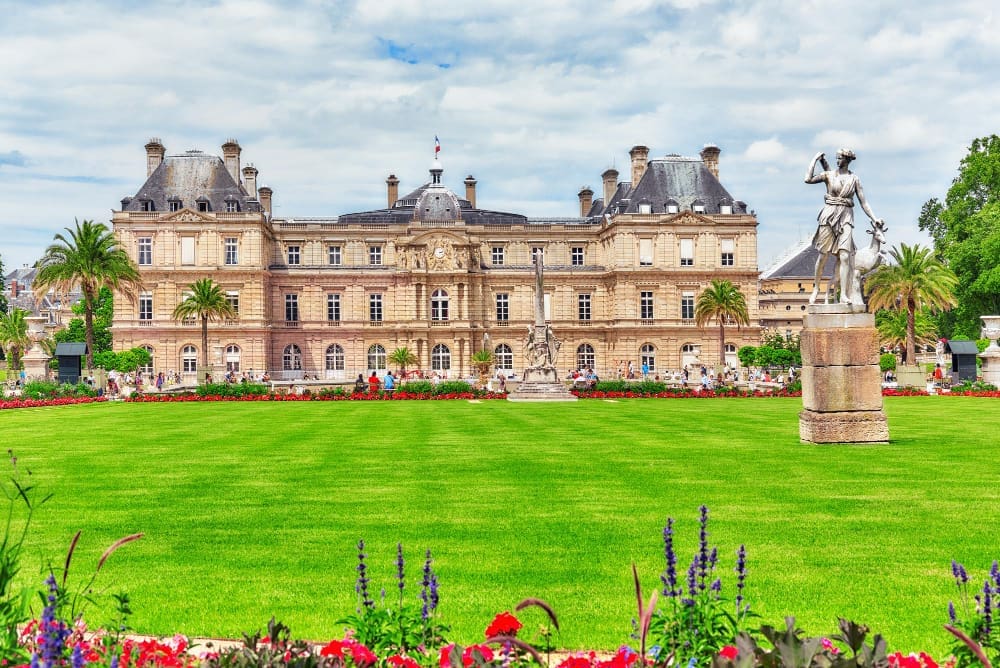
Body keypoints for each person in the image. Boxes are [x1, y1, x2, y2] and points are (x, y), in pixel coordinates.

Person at [805, 148, 883, 305]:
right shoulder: (828, 175)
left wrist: (874, 218)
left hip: (846, 216)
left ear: (846, 160)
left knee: (845, 256)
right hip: (828, 216)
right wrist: (815, 159)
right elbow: (808, 179)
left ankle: (844, 295)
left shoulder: (854, 179)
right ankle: (816, 288)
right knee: (823, 256)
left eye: (839, 158)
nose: (837, 161)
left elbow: (863, 202)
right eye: (836, 158)